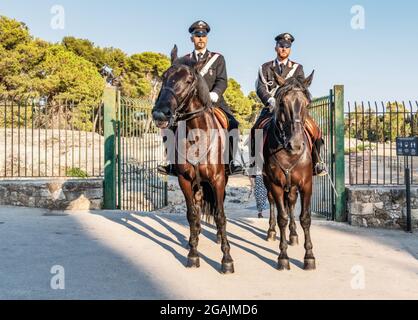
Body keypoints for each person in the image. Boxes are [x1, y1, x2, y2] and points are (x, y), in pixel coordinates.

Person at [157, 20, 243, 176]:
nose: (200, 38)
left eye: (203, 35)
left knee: (233, 124)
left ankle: (231, 162)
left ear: (207, 38)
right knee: (170, 125)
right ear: (192, 39)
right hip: (189, 104)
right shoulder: (184, 60)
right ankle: (171, 162)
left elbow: (222, 80)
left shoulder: (217, 59)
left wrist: (215, 93)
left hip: (214, 102)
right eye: (197, 35)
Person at [250, 33, 326, 176]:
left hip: (293, 111)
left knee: (315, 129)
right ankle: (255, 164)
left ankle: (316, 163)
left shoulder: (297, 68)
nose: (284, 49)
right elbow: (260, 88)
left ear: (290, 49)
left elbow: (302, 88)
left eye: (287, 46)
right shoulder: (265, 67)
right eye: (281, 46)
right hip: (271, 108)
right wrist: (270, 100)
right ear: (276, 47)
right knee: (256, 130)